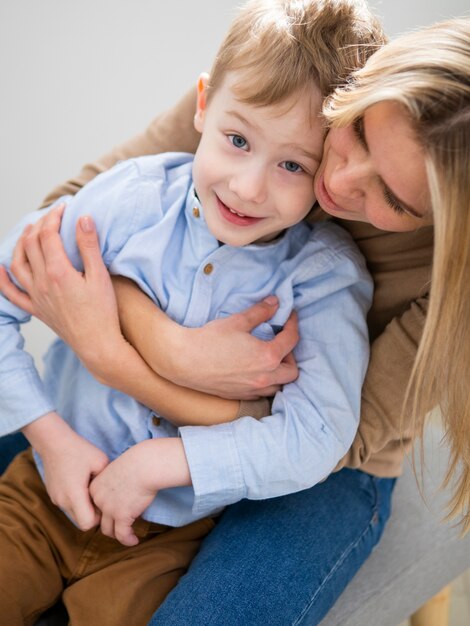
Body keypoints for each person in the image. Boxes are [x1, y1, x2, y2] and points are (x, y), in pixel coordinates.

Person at [2, 11, 468, 626]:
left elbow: (326, 439)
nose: (342, 177)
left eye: (393, 197)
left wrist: (119, 367)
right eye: (354, 132)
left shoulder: (330, 276)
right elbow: (45, 244)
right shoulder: (289, 78)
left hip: (317, 469)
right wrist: (164, 351)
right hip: (78, 447)